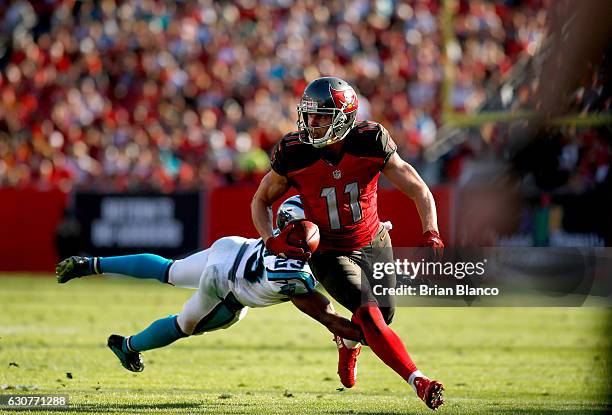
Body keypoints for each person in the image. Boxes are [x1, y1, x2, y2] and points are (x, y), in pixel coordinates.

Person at [251, 77, 445, 410]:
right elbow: (260, 200)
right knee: (369, 315)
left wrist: (432, 230)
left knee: (383, 318)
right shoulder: (293, 152)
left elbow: (417, 187)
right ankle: (419, 381)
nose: (313, 123)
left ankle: (347, 339)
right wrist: (270, 240)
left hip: (374, 241)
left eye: (322, 116)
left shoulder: (370, 141)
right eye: (309, 116)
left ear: (344, 115)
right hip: (329, 252)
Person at [56, 196, 362, 373]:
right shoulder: (295, 273)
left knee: (169, 270)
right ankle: (126, 346)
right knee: (184, 325)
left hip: (231, 248)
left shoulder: (281, 235)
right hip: (226, 287)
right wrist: (373, 335)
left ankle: (90, 264)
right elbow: (329, 317)